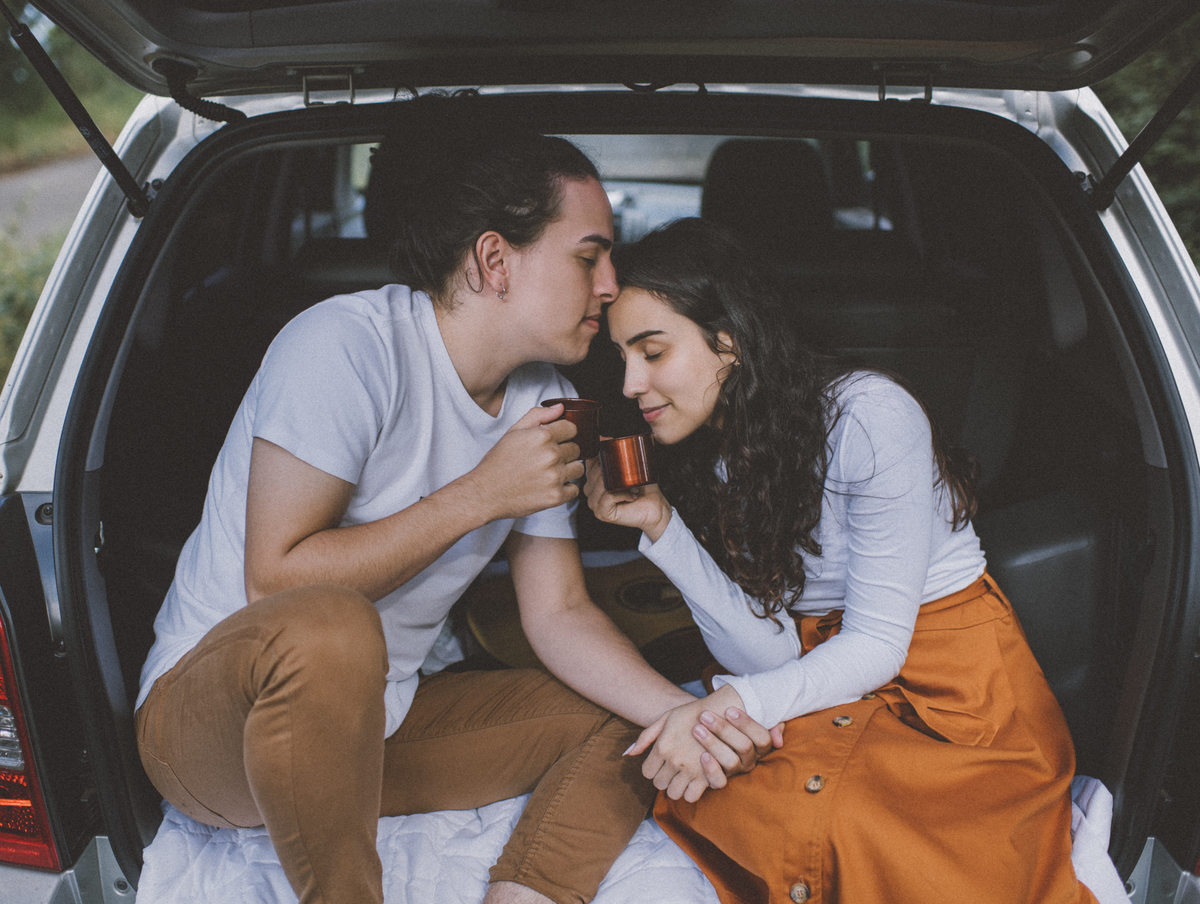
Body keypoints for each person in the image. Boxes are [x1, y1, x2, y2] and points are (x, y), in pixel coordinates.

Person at [133, 111, 772, 904]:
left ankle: (529, 893)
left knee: (622, 712)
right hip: (214, 733)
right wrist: (481, 495)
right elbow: (278, 583)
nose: (610, 286)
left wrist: (691, 717)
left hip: (377, 729)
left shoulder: (547, 397)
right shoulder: (343, 346)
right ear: (496, 260)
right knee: (330, 625)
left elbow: (560, 615)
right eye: (589, 256)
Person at [583, 216, 1111, 903]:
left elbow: (876, 647)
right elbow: (770, 658)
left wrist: (725, 706)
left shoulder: (867, 415)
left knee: (857, 827)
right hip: (829, 671)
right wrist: (661, 528)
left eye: (651, 352)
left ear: (729, 342)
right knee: (723, 787)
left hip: (949, 685)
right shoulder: (719, 455)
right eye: (622, 356)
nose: (630, 382)